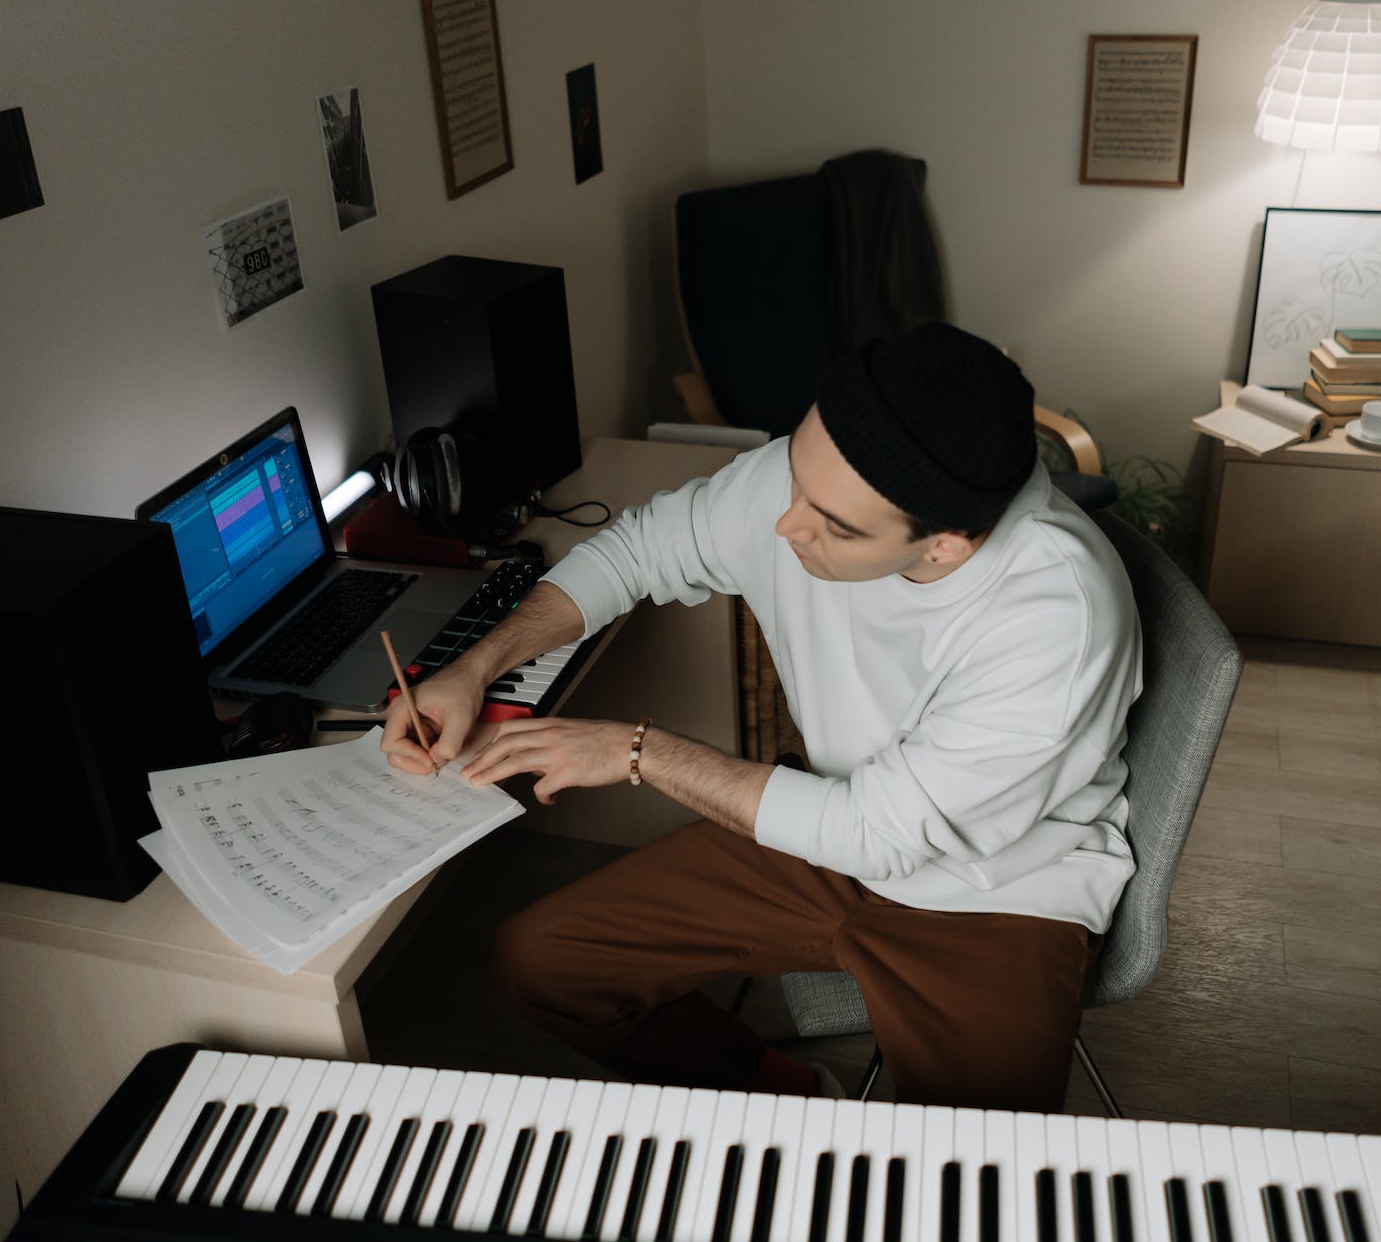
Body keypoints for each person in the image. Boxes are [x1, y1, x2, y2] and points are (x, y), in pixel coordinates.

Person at [381, 321, 1141, 1112]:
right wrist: (474, 667)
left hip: (997, 895)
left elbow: (879, 834)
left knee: (971, 1187)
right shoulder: (816, 482)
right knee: (546, 963)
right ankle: (782, 1098)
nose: (785, 527)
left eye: (833, 525)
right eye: (796, 479)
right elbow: (637, 550)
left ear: (946, 546)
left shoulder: (1055, 613)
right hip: (828, 826)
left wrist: (639, 751)